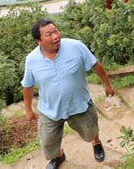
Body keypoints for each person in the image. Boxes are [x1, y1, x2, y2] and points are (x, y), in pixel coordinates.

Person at [22, 19, 115, 169]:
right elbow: (28, 86)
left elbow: (95, 65)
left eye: (56, 31)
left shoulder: (76, 46)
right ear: (39, 41)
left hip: (79, 104)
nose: (55, 36)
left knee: (91, 131)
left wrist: (108, 85)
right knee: (48, 142)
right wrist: (28, 110)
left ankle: (96, 142)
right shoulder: (31, 60)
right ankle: (59, 156)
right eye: (49, 34)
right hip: (50, 110)